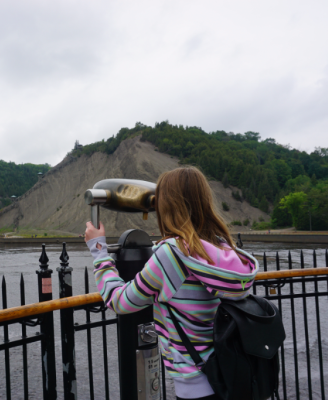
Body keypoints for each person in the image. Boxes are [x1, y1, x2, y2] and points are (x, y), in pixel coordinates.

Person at [85, 167, 258, 400]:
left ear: (166, 205)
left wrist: (99, 251)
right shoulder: (223, 248)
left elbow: (119, 302)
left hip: (197, 386)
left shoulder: (171, 256)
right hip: (233, 376)